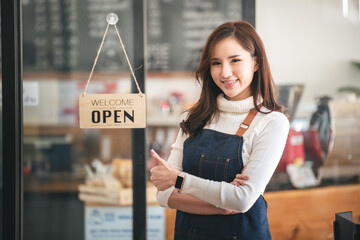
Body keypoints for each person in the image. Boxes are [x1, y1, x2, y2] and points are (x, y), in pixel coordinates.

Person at [150, 20, 289, 240]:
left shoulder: (272, 122)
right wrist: (221, 205)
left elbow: (242, 200)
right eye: (216, 63)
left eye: (235, 60)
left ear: (256, 63)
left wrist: (180, 181)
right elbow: (163, 195)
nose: (225, 73)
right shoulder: (192, 118)